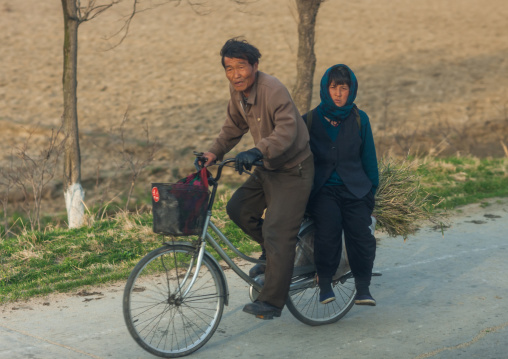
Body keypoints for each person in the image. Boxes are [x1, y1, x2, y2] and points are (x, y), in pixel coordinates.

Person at [202, 38, 314, 319]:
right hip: (267, 166)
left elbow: (287, 132)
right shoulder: (237, 91)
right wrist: (213, 153)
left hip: (293, 170)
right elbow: (234, 125)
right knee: (238, 208)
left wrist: (256, 150)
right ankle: (272, 254)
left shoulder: (272, 89)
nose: (235, 74)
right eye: (229, 68)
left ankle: (272, 302)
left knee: (278, 233)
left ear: (255, 66)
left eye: (241, 67)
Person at [303, 64, 379, 306]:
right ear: (325, 89)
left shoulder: (360, 119)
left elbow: (369, 160)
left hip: (356, 189)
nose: (338, 94)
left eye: (343, 88)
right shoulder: (310, 120)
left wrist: (370, 194)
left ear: (351, 90)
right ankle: (325, 283)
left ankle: (363, 288)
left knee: (361, 235)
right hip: (324, 190)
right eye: (333, 88)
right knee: (328, 231)